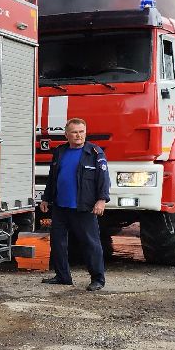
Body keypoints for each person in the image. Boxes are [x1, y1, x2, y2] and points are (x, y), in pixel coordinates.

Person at [39, 117, 111, 291]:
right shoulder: (60, 152)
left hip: (83, 207)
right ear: (66, 134)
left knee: (90, 243)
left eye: (81, 132)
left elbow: (104, 179)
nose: (78, 135)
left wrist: (101, 200)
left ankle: (98, 279)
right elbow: (53, 178)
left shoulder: (94, 152)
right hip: (60, 207)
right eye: (74, 132)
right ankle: (63, 276)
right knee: (58, 243)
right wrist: (46, 198)